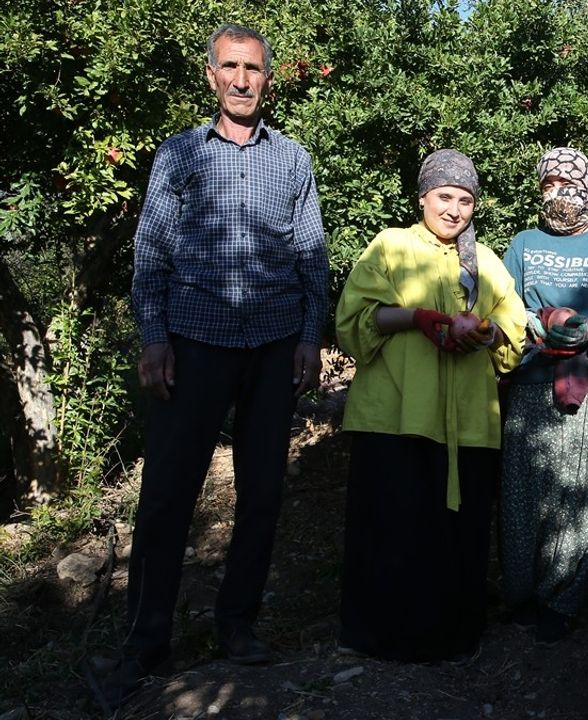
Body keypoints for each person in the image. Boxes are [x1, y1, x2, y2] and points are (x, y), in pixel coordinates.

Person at [89, 23, 329, 709]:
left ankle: (237, 625)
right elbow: (150, 254)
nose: (242, 79)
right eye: (230, 67)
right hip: (193, 343)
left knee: (260, 495)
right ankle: (146, 639)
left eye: (253, 69)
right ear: (211, 76)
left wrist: (311, 336)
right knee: (167, 496)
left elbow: (310, 253)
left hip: (275, 344)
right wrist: (153, 338)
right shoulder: (179, 155)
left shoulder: (292, 160)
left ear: (269, 80)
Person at [334, 149, 525, 662]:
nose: (454, 209)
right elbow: (354, 320)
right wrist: (418, 317)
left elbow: (514, 331)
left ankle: (450, 641)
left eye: (466, 200)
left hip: (468, 423)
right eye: (444, 196)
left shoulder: (485, 262)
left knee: (453, 536)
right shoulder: (390, 246)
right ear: (423, 197)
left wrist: (484, 332)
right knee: (391, 525)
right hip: (393, 415)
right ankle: (375, 640)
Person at [499, 147, 588, 645]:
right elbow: (505, 301)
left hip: (587, 381)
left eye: (568, 181)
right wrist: (535, 324)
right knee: (523, 490)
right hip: (532, 378)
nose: (558, 192)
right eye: (548, 183)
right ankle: (520, 592)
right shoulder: (523, 242)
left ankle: (563, 599)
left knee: (580, 491)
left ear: (587, 183)